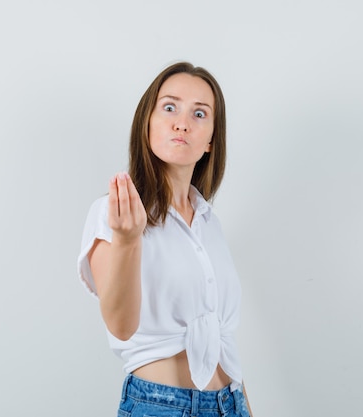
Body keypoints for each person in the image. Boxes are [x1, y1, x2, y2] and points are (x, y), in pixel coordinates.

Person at [77, 62, 253, 417]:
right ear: (147, 123)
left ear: (210, 142)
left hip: (230, 403)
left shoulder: (209, 224)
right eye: (170, 107)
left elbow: (224, 344)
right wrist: (128, 240)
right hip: (160, 406)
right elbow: (121, 326)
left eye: (199, 113)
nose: (182, 122)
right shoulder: (112, 213)